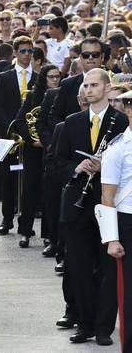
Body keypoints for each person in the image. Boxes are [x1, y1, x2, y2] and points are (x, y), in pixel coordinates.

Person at [56, 68, 127, 346]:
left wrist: (105, 167)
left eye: (94, 85)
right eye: (85, 85)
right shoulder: (71, 122)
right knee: (80, 267)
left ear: (108, 88)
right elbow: (56, 163)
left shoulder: (121, 122)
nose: (88, 90)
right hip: (77, 205)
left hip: (109, 204)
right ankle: (84, 324)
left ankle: (103, 328)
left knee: (109, 269)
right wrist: (77, 167)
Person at [96, 88, 132, 352]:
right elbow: (107, 196)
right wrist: (112, 239)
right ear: (128, 110)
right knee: (129, 292)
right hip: (128, 221)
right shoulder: (118, 148)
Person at [0, 36, 39, 235]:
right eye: (23, 51)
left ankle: (26, 221)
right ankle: (7, 218)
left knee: (29, 179)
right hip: (10, 137)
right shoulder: (5, 77)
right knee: (8, 178)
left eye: (30, 51)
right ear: (15, 53)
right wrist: (11, 129)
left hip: (30, 139)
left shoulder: (38, 78)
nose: (27, 55)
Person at [13, 64, 61, 247]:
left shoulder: (61, 95)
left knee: (49, 192)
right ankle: (25, 231)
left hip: (51, 150)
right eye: (51, 77)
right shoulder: (33, 96)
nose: (55, 80)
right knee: (30, 191)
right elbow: (19, 121)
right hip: (34, 150)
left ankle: (48, 235)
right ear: (44, 79)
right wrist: (32, 141)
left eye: (57, 76)